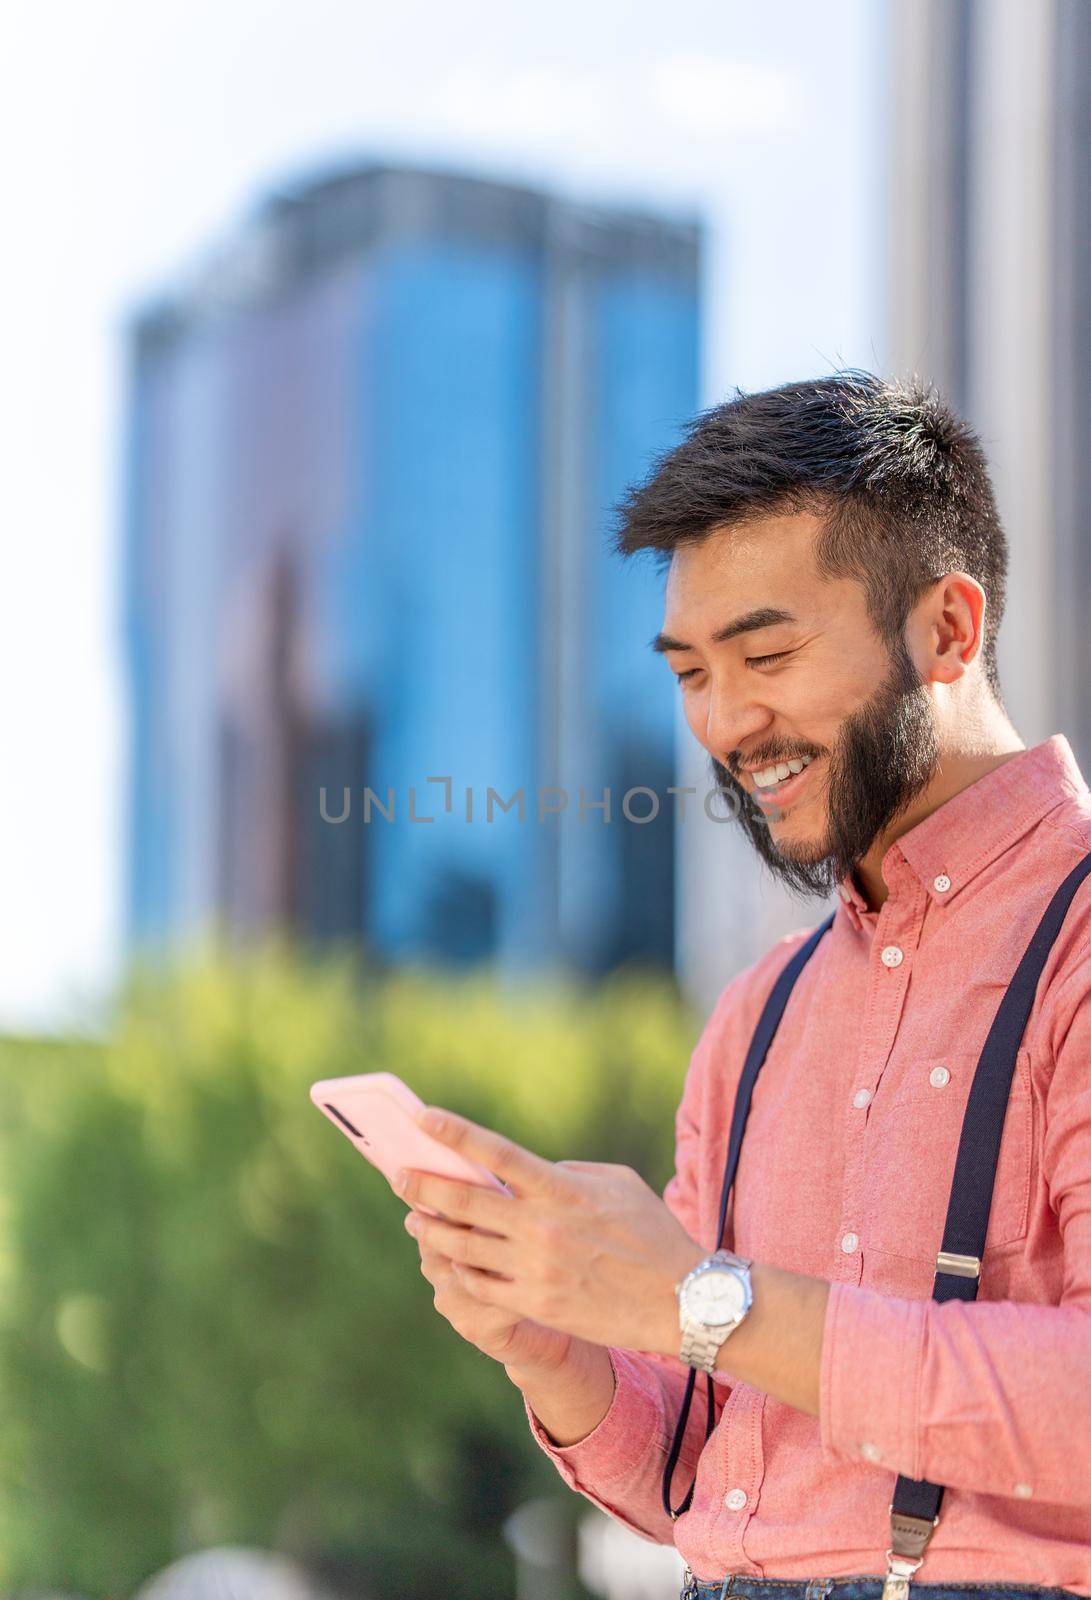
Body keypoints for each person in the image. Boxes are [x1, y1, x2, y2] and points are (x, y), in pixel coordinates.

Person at [395, 372, 1091, 1598]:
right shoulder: (756, 1018)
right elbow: (703, 1470)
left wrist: (704, 1296)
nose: (725, 722)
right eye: (687, 674)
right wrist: (552, 1340)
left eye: (764, 652)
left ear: (947, 629)